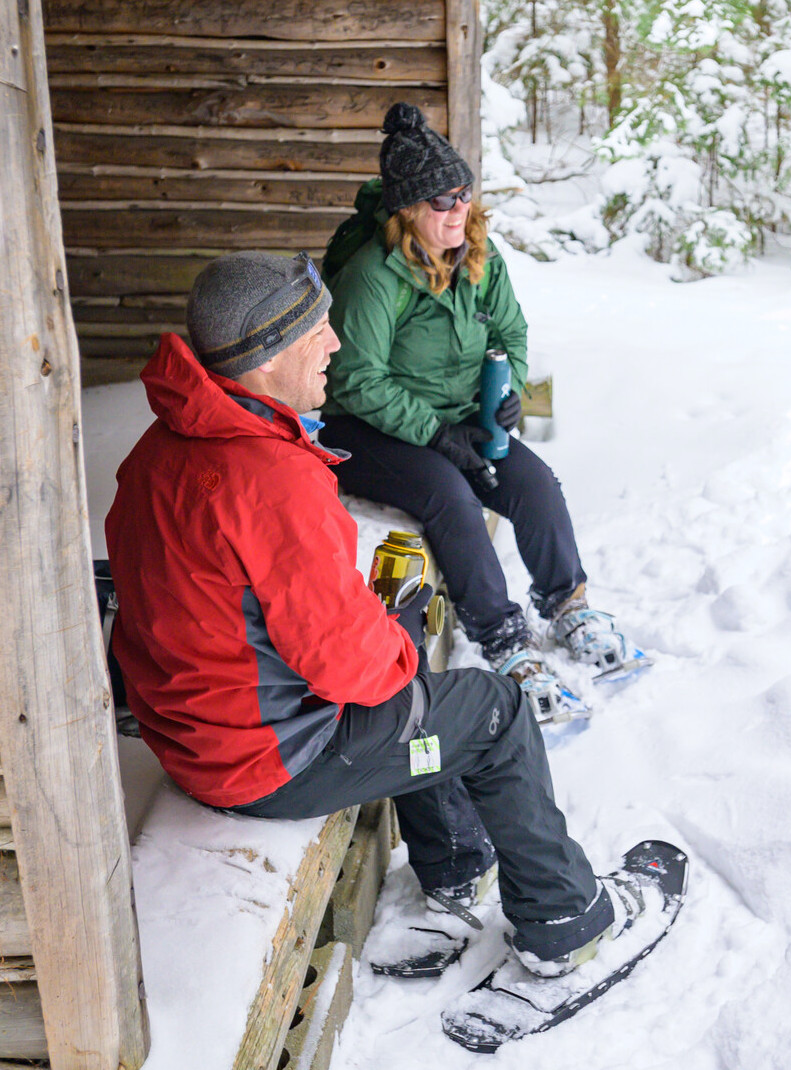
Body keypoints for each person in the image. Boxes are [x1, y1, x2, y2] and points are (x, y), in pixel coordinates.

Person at [104, 251, 638, 975]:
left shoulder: (160, 451)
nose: (335, 344)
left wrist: (385, 632)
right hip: (265, 761)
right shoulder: (267, 476)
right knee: (491, 709)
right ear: (267, 355)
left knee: (413, 669)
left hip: (199, 735)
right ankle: (565, 918)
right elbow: (356, 670)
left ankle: (456, 867)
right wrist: (395, 639)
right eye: (318, 330)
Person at [317, 102, 643, 717]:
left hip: (455, 420)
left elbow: (513, 335)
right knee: (451, 497)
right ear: (408, 210)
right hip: (362, 428)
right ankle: (504, 638)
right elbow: (355, 378)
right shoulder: (371, 276)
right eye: (441, 200)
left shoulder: (476, 255)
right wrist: (437, 435)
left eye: (464, 193)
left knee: (534, 483)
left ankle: (567, 605)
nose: (458, 208)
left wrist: (506, 394)